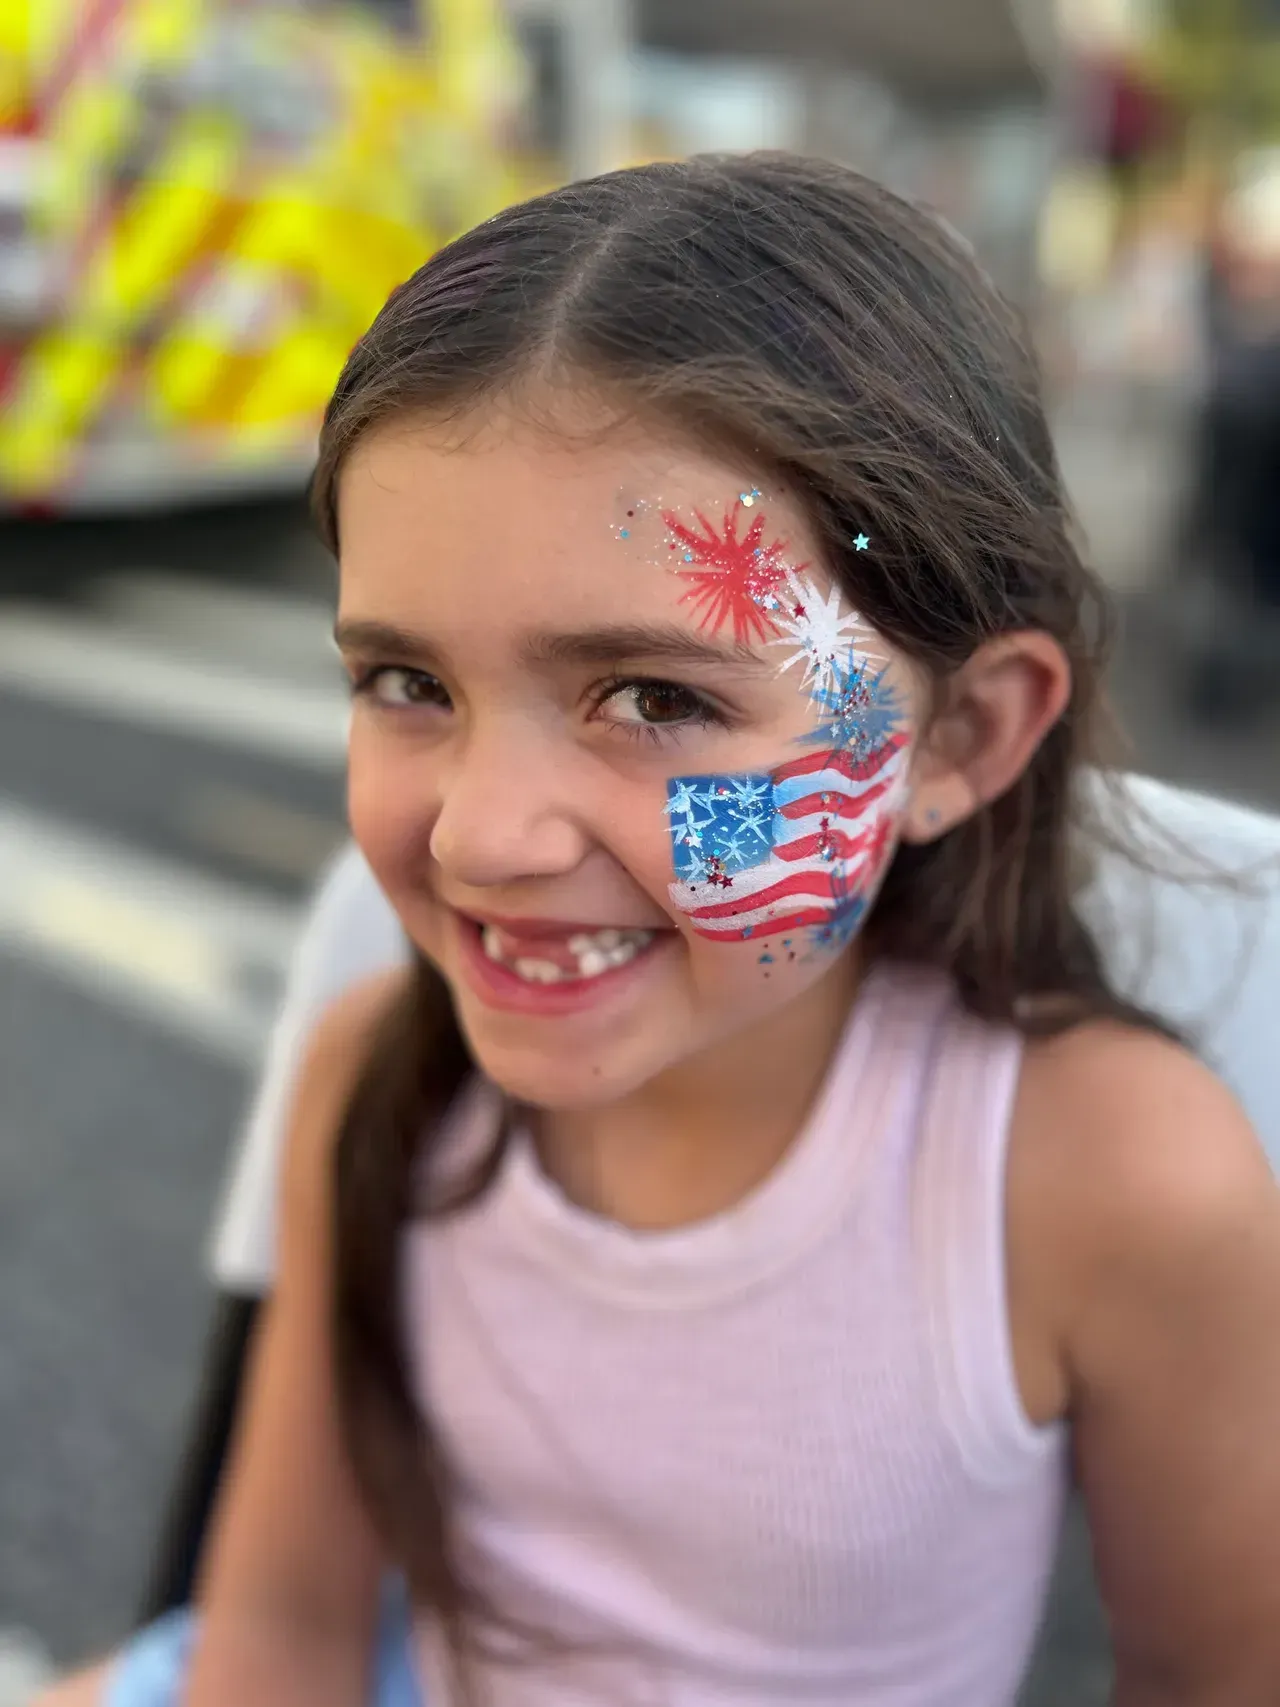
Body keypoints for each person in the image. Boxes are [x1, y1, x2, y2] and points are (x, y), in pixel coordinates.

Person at [40, 153, 1280, 1707]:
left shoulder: (1109, 1178)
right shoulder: (374, 1078)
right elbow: (277, 1635)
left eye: (657, 698)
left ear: (960, 735)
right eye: (407, 682)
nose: (482, 834)